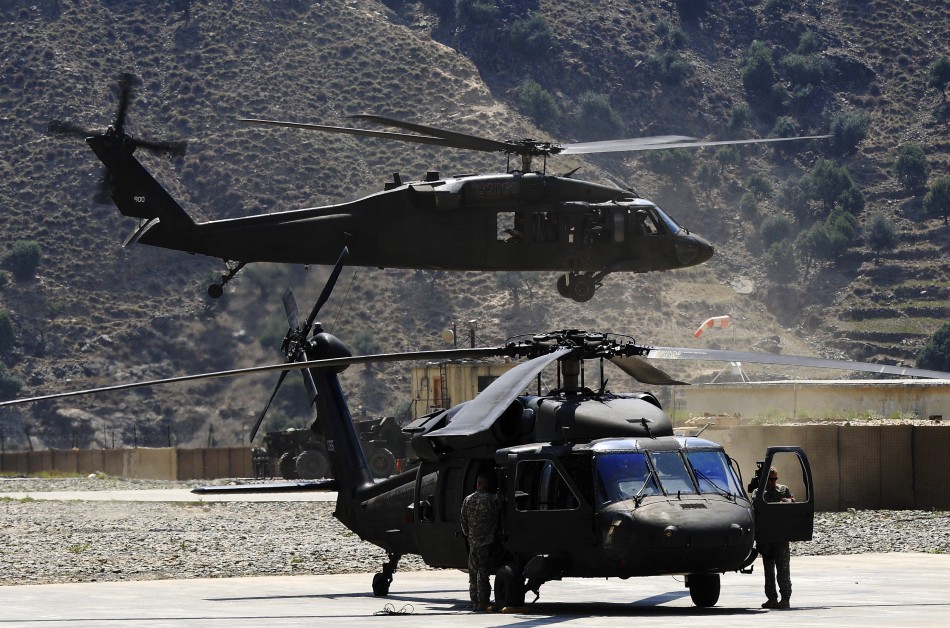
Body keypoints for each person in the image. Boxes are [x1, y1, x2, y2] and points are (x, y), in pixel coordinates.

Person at [460, 471, 501, 611]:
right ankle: (483, 601)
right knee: (483, 571)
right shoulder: (492, 499)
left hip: (473, 541)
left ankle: (474, 601)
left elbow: (463, 522)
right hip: (487, 541)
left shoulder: (468, 499)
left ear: (478, 484)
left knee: (473, 572)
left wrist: (469, 535)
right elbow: (498, 518)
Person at [758, 467, 794, 609]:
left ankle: (785, 598)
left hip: (780, 538)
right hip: (767, 538)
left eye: (775, 479)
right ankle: (771, 598)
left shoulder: (783, 490)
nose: (774, 482)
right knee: (769, 571)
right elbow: (758, 508)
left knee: (783, 570)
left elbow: (793, 503)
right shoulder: (759, 493)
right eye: (771, 479)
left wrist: (789, 502)